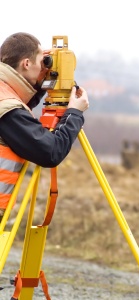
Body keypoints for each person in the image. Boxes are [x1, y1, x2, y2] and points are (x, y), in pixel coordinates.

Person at [0, 32, 89, 222]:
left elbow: (18, 113)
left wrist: (40, 86)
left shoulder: (4, 95)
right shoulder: (8, 109)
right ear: (26, 64)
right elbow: (50, 152)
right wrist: (74, 114)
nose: (45, 67)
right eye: (43, 62)